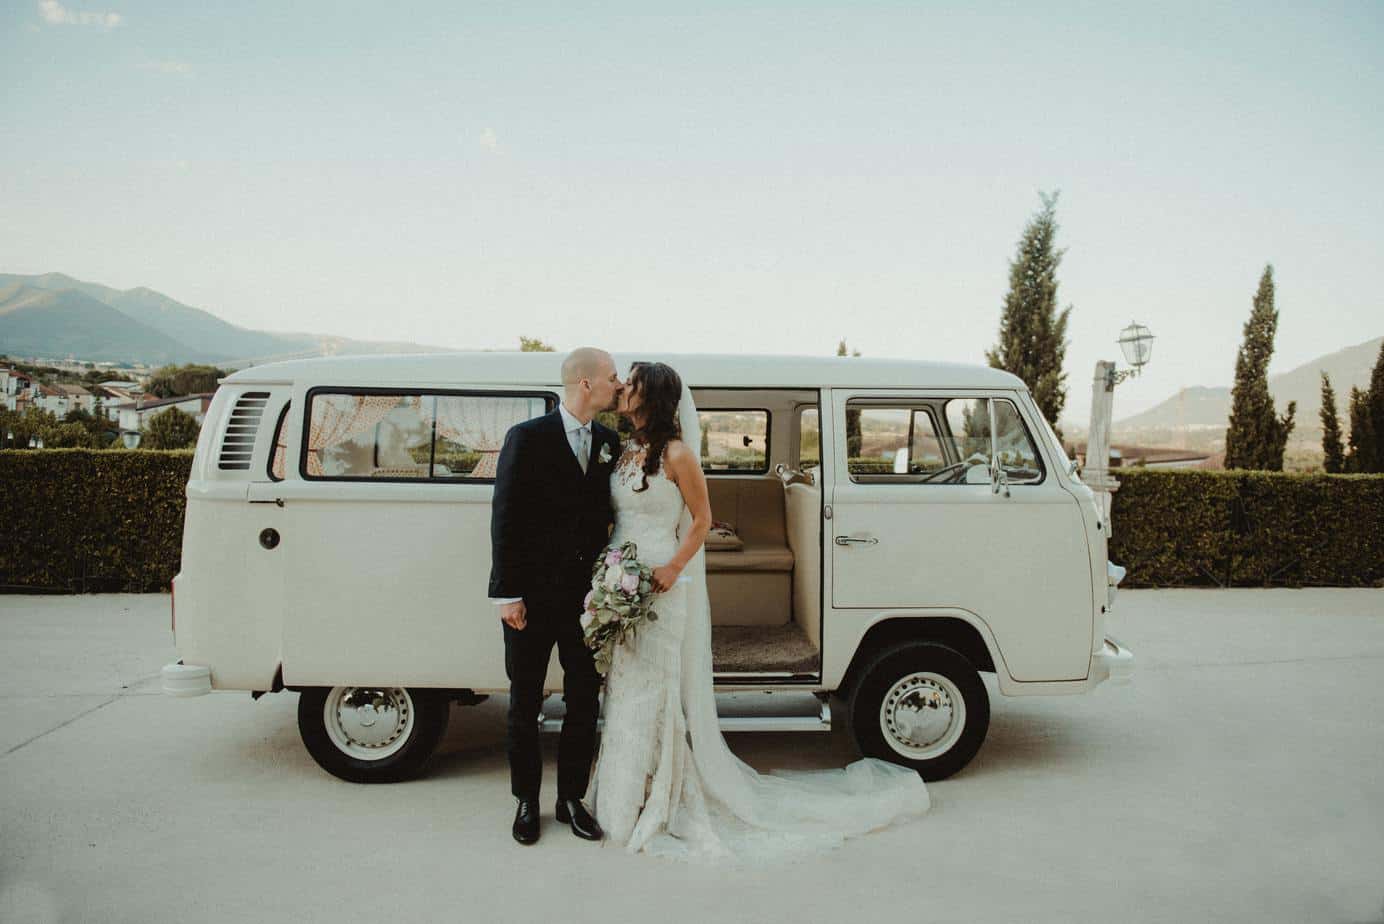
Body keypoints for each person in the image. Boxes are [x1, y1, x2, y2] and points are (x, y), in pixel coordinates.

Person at [584, 360, 930, 864]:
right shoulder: (626, 450)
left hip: (660, 580)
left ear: (652, 396)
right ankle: (622, 799)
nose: (623, 388)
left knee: (656, 691)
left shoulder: (678, 453)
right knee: (624, 688)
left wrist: (672, 570)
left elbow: (702, 521)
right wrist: (611, 573)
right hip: (623, 574)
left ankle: (660, 798)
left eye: (632, 383)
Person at [488, 346, 624, 845]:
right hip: (530, 599)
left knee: (584, 700)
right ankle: (526, 800)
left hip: (590, 601)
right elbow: (505, 518)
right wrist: (506, 594)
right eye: (613, 377)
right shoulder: (525, 438)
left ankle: (572, 798)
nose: (619, 384)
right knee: (524, 701)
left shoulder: (610, 440)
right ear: (586, 383)